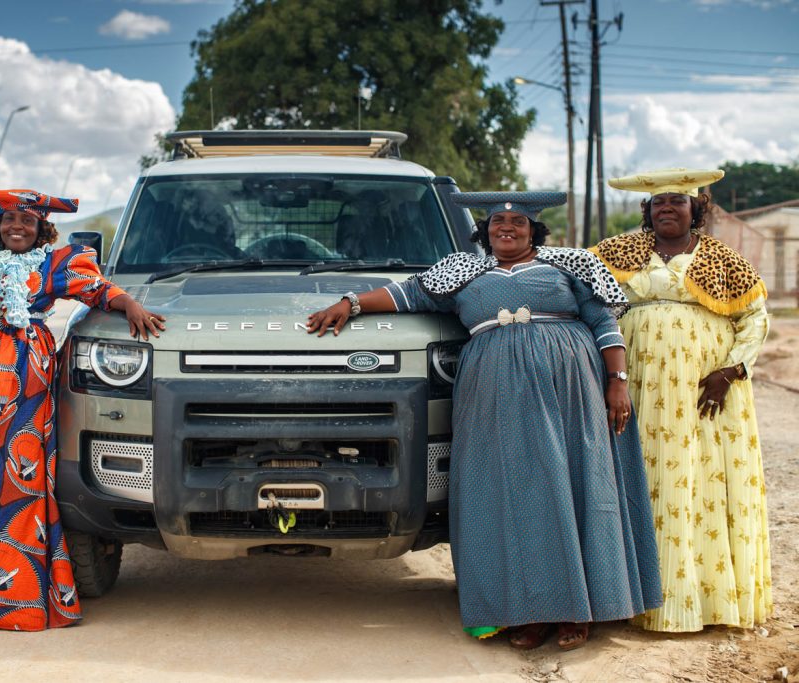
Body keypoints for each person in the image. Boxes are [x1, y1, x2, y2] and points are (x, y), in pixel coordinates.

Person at [308, 191, 662, 650]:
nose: (507, 228)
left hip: (569, 392)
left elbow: (603, 320)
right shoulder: (462, 269)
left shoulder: (571, 263)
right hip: (494, 395)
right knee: (510, 496)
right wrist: (350, 303)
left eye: (518, 221)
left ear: (535, 228)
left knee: (575, 488)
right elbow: (405, 294)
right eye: (498, 221)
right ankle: (526, 612)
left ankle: (578, 610)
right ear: (485, 229)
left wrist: (616, 380)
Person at [0, 186, 165, 630]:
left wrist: (131, 304)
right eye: (9, 220)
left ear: (42, 227)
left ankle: (17, 602)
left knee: (19, 483)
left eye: (26, 221)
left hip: (26, 379)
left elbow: (100, 291)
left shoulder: (57, 264)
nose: (16, 227)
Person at [593, 168, 772, 632]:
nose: (667, 208)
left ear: (697, 209)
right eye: (658, 203)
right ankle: (635, 596)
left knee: (701, 480)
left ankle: (703, 600)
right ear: (646, 211)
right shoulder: (616, 253)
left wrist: (731, 370)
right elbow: (577, 295)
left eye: (677, 201)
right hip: (640, 385)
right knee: (646, 475)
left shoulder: (722, 258)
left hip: (705, 391)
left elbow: (754, 318)